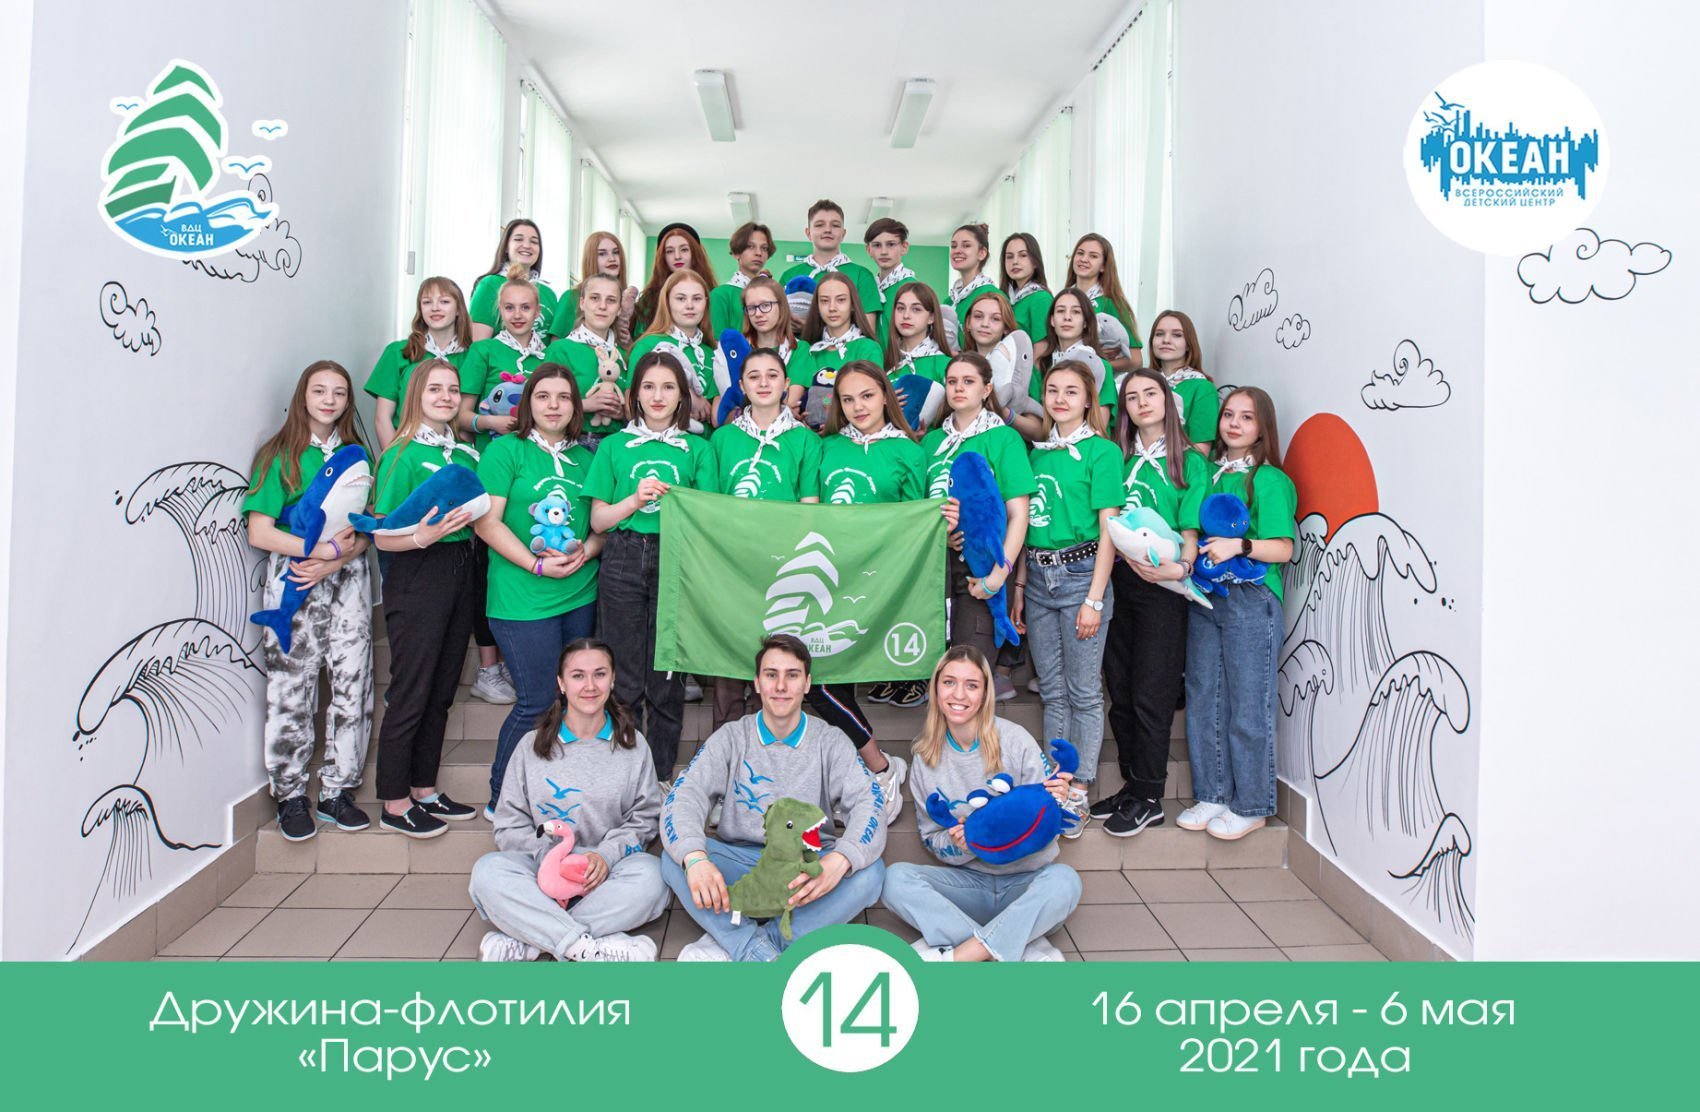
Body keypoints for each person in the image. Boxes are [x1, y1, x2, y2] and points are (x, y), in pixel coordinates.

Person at [660, 634, 888, 962]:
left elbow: (869, 803)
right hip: (740, 862)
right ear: (757, 683)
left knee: (870, 873)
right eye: (771, 675)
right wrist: (696, 859)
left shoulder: (831, 740)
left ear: (807, 683)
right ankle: (756, 948)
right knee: (676, 858)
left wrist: (839, 860)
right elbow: (685, 795)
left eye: (792, 675)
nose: (781, 686)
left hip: (806, 869)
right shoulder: (731, 737)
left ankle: (759, 943)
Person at [470, 639, 668, 962]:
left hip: (604, 872)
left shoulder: (634, 745)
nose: (590, 686)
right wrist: (550, 860)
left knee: (654, 877)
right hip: (543, 871)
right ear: (561, 684)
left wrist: (604, 856)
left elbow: (645, 818)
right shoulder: (530, 745)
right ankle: (588, 943)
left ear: (613, 680)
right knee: (487, 873)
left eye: (599, 674)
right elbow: (508, 824)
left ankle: (533, 939)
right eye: (578, 676)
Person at [243, 360, 375, 841]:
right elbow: (260, 531)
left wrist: (337, 559)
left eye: (339, 392)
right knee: (291, 688)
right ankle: (291, 795)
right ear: (303, 396)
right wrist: (317, 553)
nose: (329, 400)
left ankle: (338, 790)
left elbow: (365, 530)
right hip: (294, 579)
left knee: (354, 682)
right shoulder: (279, 454)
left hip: (349, 578)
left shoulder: (358, 456)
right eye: (319, 390)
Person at [882, 646, 1081, 961]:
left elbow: (1049, 825)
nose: (959, 694)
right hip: (968, 885)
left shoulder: (1016, 740)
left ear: (985, 693)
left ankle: (967, 954)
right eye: (949, 682)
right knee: (895, 880)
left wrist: (1059, 802)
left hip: (1025, 882)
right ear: (935, 689)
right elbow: (931, 838)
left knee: (1065, 882)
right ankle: (1016, 946)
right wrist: (960, 844)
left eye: (971, 685)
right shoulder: (924, 757)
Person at [474, 365, 604, 815]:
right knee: (536, 702)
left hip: (580, 595)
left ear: (575, 406)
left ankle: (554, 793)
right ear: (528, 402)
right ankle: (500, 798)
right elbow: (486, 523)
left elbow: (602, 526)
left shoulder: (588, 458)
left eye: (564, 397)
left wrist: (586, 551)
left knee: (574, 703)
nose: (553, 405)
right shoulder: (505, 450)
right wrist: (535, 563)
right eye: (543, 396)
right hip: (521, 599)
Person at [586, 351, 717, 783]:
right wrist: (634, 500)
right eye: (648, 386)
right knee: (624, 675)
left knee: (666, 676)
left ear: (682, 396)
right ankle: (625, 776)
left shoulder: (698, 449)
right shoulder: (613, 446)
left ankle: (659, 777)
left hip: (677, 558)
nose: (658, 396)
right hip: (623, 555)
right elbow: (598, 521)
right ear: (634, 395)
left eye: (668, 387)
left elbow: (708, 518)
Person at [367, 359, 483, 837]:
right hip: (418, 572)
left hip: (460, 568)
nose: (446, 397)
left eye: (453, 389)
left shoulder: (465, 454)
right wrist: (422, 536)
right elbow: (380, 534)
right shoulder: (401, 454)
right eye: (435, 389)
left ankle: (424, 789)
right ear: (415, 395)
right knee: (412, 689)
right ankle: (395, 803)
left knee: (441, 690)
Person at [1177, 387, 1296, 841]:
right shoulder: (1205, 472)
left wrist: (1239, 546)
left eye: (1246, 417)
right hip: (1207, 597)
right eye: (1229, 414)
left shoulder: (1268, 479)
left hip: (1251, 599)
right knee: (1204, 695)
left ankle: (1251, 804)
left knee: (1248, 702)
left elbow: (1283, 549)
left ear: (1262, 427)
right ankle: (1212, 794)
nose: (1234, 423)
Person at [1095, 368, 1207, 838]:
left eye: (1151, 394)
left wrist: (1179, 568)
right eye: (1132, 396)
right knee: (1119, 690)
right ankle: (1131, 785)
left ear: (1167, 401)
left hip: (1164, 587)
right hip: (1120, 581)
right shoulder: (1116, 457)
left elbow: (1190, 532)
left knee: (1150, 693)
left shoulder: (1189, 461)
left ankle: (1149, 796)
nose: (1142, 402)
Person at [811, 360, 919, 804]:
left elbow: (916, 523)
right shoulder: (825, 447)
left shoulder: (909, 451)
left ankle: (872, 769)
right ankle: (881, 766)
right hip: (830, 580)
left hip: (879, 584)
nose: (858, 406)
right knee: (818, 680)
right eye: (848, 399)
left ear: (885, 396)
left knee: (831, 679)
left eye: (868, 396)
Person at [1021, 360, 1122, 833]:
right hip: (1038, 579)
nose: (1060, 399)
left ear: (1088, 400)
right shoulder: (1036, 454)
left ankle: (1078, 789)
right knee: (1053, 691)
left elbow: (1109, 530)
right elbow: (1028, 526)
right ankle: (1055, 785)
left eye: (1071, 391)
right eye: (1053, 390)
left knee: (1083, 691)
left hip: (1082, 575)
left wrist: (1095, 599)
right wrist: (1020, 588)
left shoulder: (1102, 452)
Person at [705, 347, 821, 732]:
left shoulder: (804, 440)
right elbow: (711, 507)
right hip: (732, 565)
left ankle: (773, 744)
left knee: (776, 657)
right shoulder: (722, 439)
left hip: (781, 563)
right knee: (729, 658)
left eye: (772, 375)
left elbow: (808, 508)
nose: (763, 383)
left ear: (787, 383)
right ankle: (726, 749)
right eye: (754, 376)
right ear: (741, 385)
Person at [924, 353, 1035, 706]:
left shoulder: (1003, 439)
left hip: (983, 570)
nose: (958, 388)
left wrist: (999, 576)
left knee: (970, 674)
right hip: (936, 571)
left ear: (986, 389)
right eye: (952, 382)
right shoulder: (930, 442)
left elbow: (1019, 514)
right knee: (938, 678)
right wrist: (938, 536)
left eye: (968, 381)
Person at [366, 277, 473, 451]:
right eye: (427, 302)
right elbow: (382, 418)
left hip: (457, 453)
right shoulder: (398, 352)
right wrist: (394, 460)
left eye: (444, 301)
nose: (435, 308)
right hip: (407, 451)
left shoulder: (474, 356)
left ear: (458, 310)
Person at [1015, 286, 1119, 439]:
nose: (1067, 317)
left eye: (1076, 312)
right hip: (1046, 447)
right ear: (1052, 320)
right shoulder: (1039, 365)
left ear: (1086, 322)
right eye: (1060, 311)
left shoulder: (1100, 366)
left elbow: (1099, 426)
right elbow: (1037, 424)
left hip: (1086, 449)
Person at [784, 270, 883, 427]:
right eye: (824, 301)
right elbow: (798, 401)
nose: (832, 308)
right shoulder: (807, 350)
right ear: (817, 306)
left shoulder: (868, 348)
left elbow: (871, 402)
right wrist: (798, 416)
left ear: (852, 304)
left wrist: (836, 424)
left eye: (841, 300)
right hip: (809, 435)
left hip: (852, 436)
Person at [542, 272, 629, 441]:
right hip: (573, 442)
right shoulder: (560, 349)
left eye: (611, 300)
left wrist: (622, 413)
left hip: (617, 443)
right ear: (582, 303)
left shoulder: (624, 356)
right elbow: (542, 404)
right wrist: (586, 405)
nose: (602, 306)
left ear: (619, 309)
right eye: (595, 298)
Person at [628, 268, 718, 425]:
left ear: (706, 303)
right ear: (667, 302)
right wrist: (686, 397)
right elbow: (630, 407)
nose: (689, 305)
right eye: (680, 298)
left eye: (697, 299)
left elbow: (716, 413)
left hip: (702, 439)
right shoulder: (647, 345)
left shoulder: (713, 354)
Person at [779, 199, 884, 333]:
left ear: (843, 234)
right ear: (808, 233)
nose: (827, 230)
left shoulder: (861, 275)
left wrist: (811, 330)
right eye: (819, 225)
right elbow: (777, 324)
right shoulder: (789, 276)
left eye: (835, 225)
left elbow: (868, 330)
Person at [469, 219, 558, 341]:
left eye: (534, 242)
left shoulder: (549, 293)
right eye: (518, 239)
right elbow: (478, 344)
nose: (527, 245)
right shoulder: (489, 284)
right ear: (506, 247)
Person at [1067, 233, 1141, 374]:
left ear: (1103, 267)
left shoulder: (1112, 303)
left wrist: (1093, 363)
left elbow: (1135, 360)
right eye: (1080, 253)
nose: (1084, 259)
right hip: (1064, 380)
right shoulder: (1063, 300)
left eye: (1093, 256)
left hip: (1096, 384)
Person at [1147, 309, 1218, 456]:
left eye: (1177, 335)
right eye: (1159, 334)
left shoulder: (1203, 388)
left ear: (1188, 345)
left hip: (1179, 467)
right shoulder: (1140, 383)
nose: (1166, 340)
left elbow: (1201, 450)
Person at [549, 231, 638, 349]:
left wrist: (628, 342)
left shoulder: (627, 303)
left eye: (616, 252)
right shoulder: (571, 297)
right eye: (602, 254)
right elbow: (555, 345)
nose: (612, 258)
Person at [633, 222, 717, 336]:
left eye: (684, 249)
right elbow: (640, 338)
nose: (677, 256)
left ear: (695, 254)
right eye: (669, 251)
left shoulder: (714, 296)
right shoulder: (648, 300)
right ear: (663, 257)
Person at [882, 281, 953, 393]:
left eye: (916, 309)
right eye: (900, 308)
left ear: (931, 317)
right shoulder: (883, 362)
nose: (906, 315)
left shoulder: (945, 365)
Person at [711, 221, 774, 340]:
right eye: (750, 246)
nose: (758, 253)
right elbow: (717, 342)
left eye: (764, 248)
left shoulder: (773, 294)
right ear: (736, 253)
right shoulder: (720, 295)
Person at [1000, 232, 1054, 362]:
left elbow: (1041, 350)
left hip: (1027, 373)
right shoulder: (1005, 297)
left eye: (1023, 255)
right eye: (1009, 257)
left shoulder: (1041, 298)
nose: (1015, 262)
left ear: (1035, 262)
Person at [864, 216, 918, 343]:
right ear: (868, 250)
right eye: (877, 245)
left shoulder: (913, 289)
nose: (884, 251)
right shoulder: (869, 288)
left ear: (904, 247)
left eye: (891, 244)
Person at [944, 222, 997, 346]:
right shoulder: (949, 302)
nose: (957, 251)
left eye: (966, 245)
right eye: (953, 246)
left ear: (982, 253)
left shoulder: (993, 296)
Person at [740, 274, 796, 365]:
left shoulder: (800, 350)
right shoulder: (738, 350)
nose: (758, 314)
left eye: (765, 305)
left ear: (781, 307)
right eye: (751, 308)